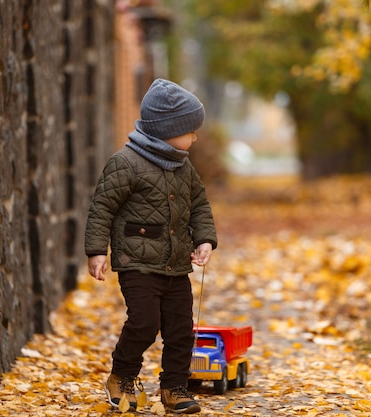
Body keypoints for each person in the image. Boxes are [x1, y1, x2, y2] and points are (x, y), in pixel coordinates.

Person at [85, 78, 218, 414]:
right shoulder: (126, 163)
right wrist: (97, 250)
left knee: (180, 329)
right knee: (144, 322)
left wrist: (204, 239)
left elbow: (199, 204)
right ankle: (122, 375)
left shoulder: (184, 167)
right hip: (137, 263)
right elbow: (102, 207)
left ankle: (175, 387)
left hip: (175, 264)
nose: (195, 137)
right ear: (166, 130)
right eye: (189, 130)